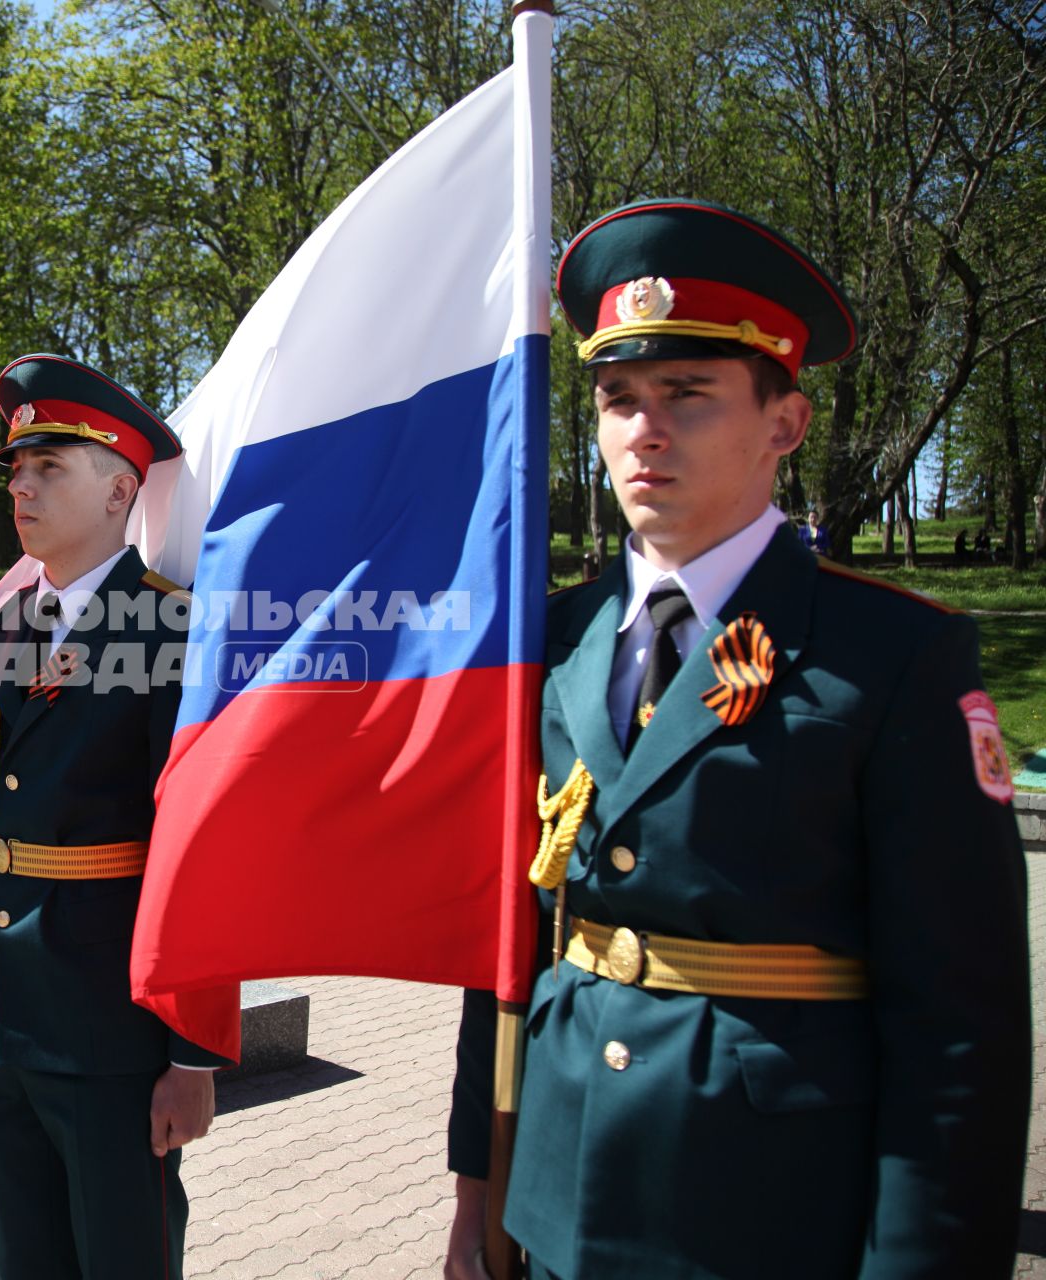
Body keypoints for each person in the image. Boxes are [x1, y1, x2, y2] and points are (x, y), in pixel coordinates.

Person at [443, 200, 1029, 1279]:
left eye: (688, 395)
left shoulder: (896, 654)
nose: (643, 431)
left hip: (764, 1212)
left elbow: (959, 1027)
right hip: (557, 1194)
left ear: (785, 424)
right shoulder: (551, 638)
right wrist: (482, 1185)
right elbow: (508, 947)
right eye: (618, 399)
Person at [0, 353, 230, 1279]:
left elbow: (199, 849)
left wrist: (194, 1053)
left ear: (121, 489)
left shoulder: (173, 630)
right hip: (2, 1017)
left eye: (51, 466)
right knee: (20, 1261)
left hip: (112, 1032)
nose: (22, 485)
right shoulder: (3, 627)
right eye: (16, 468)